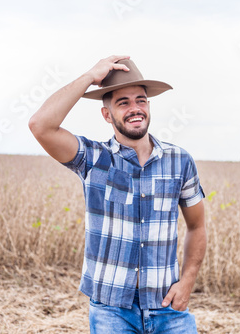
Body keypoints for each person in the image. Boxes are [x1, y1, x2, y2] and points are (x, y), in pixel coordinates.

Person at [29, 55, 206, 333]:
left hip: (168, 307)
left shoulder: (180, 161)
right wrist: (89, 76)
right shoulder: (93, 158)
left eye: (141, 100)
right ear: (106, 114)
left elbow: (197, 225)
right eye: (123, 103)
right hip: (112, 311)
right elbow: (41, 125)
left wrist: (188, 281)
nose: (135, 108)